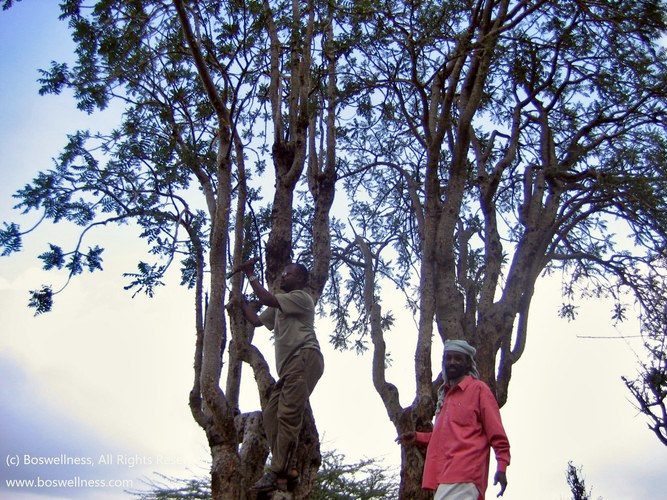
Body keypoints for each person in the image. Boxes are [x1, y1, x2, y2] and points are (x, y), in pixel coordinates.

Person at [236, 258, 324, 493]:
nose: (283, 276)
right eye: (283, 273)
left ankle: (276, 473)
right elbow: (256, 322)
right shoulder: (279, 306)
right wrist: (241, 303)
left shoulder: (302, 299)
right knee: (271, 416)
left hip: (304, 358)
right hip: (288, 368)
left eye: (290, 274)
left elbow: (267, 298)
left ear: (302, 280)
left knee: (287, 415)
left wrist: (251, 275)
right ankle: (288, 469)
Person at [396, 340, 510, 500]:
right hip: (444, 475)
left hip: (466, 473)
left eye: (458, 358)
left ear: (468, 364)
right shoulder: (446, 396)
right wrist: (418, 437)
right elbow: (445, 437)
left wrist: (502, 466)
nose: (452, 362)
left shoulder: (479, 390)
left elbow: (496, 433)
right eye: (448, 358)